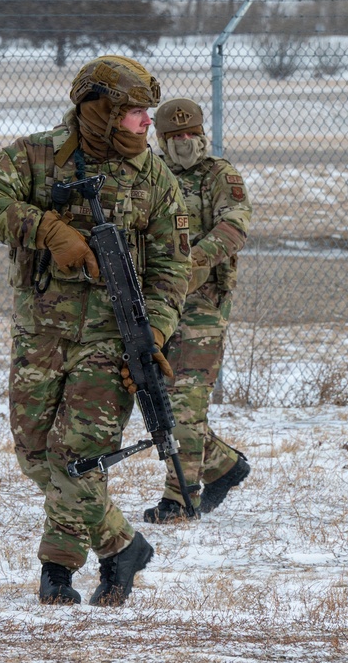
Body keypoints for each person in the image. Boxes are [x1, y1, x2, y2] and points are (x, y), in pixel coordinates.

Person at [0, 56, 191, 605]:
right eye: (136, 112)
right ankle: (120, 544)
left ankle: (57, 570)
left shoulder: (154, 177)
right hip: (41, 332)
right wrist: (47, 228)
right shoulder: (36, 155)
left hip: (111, 341)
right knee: (34, 452)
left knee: (77, 454)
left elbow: (172, 268)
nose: (146, 123)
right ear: (102, 111)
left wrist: (154, 333)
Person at [135, 98, 252, 524]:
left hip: (201, 307)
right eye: (174, 136)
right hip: (153, 303)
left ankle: (181, 497)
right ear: (160, 139)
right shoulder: (147, 175)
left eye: (190, 134)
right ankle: (222, 464)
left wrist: (193, 264)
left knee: (183, 402)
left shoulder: (220, 176)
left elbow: (235, 226)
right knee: (157, 396)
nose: (184, 142)